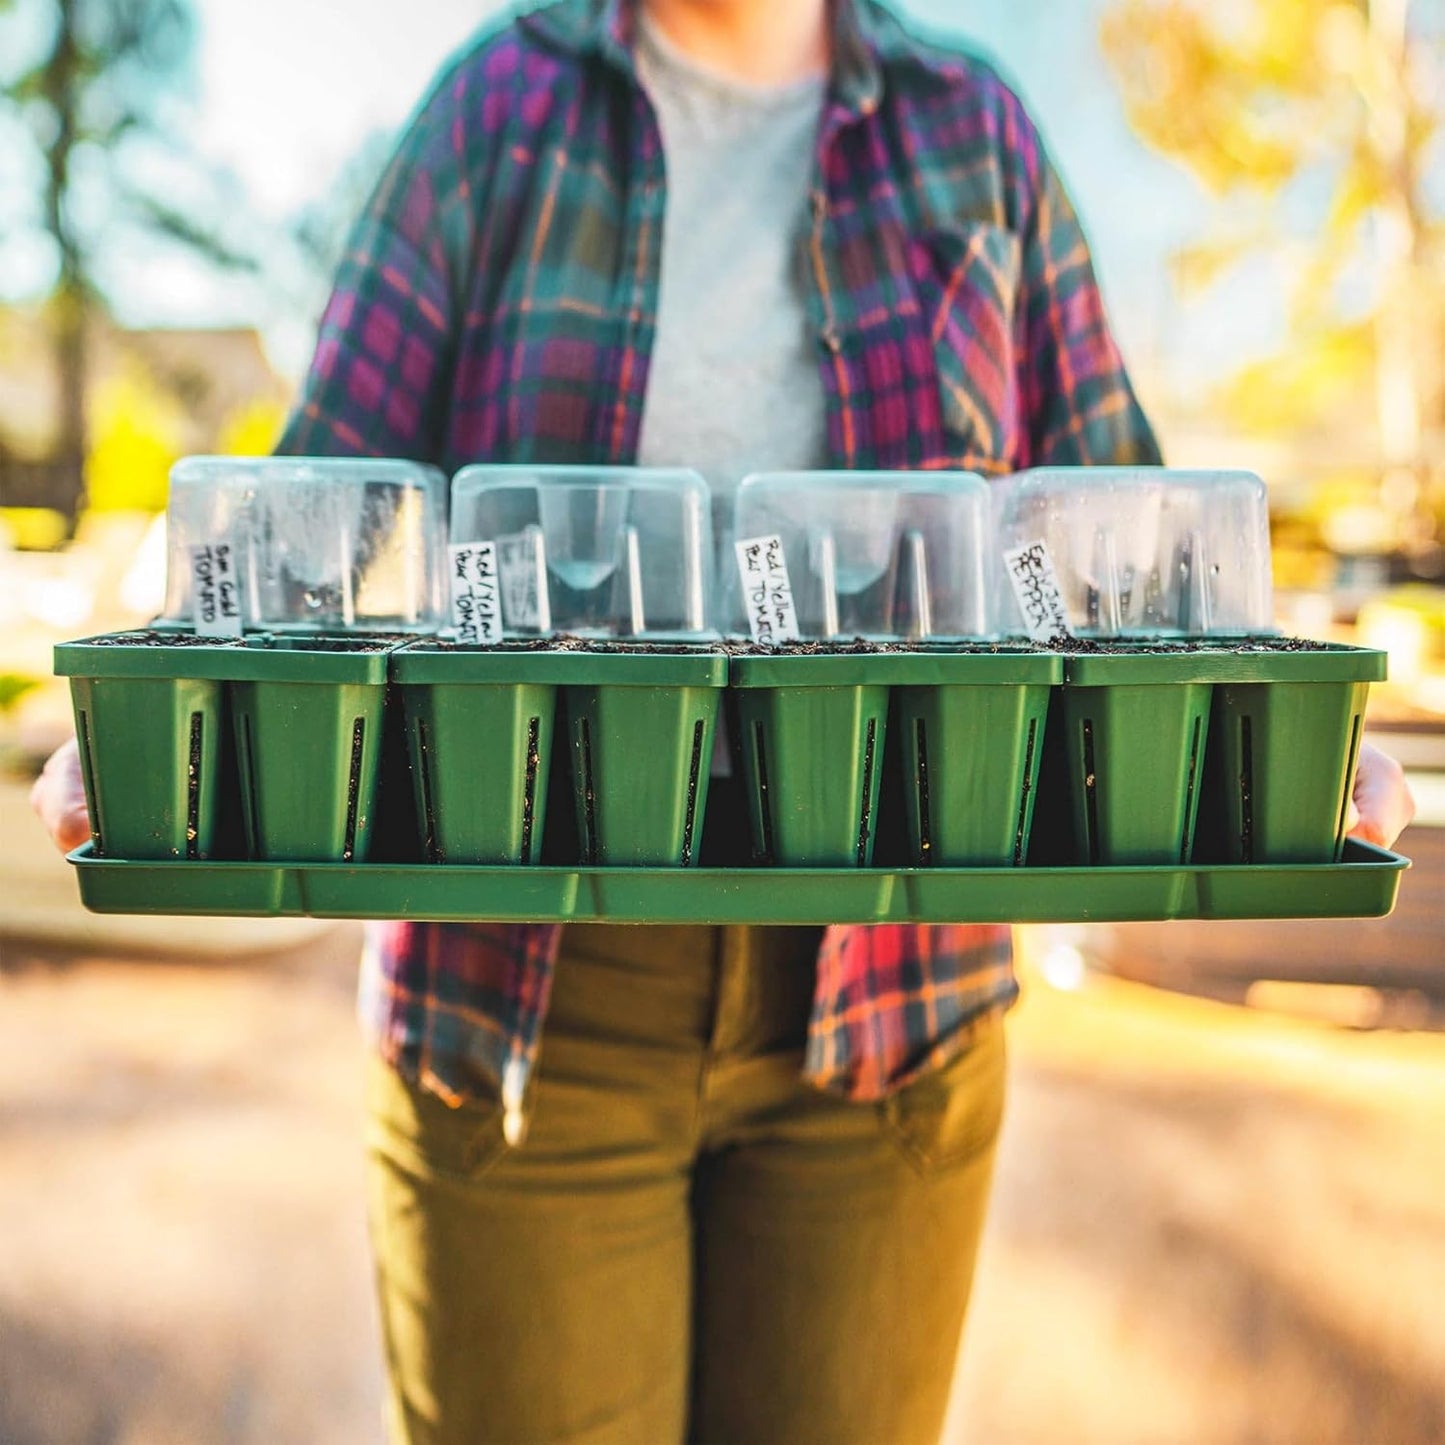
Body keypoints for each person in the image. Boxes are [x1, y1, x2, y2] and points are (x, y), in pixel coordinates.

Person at [31, 0, 1419, 1441]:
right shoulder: (498, 109)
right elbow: (318, 498)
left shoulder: (973, 133)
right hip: (525, 990)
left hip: (893, 994)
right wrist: (163, 716)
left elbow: (1125, 529)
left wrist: (1281, 747)